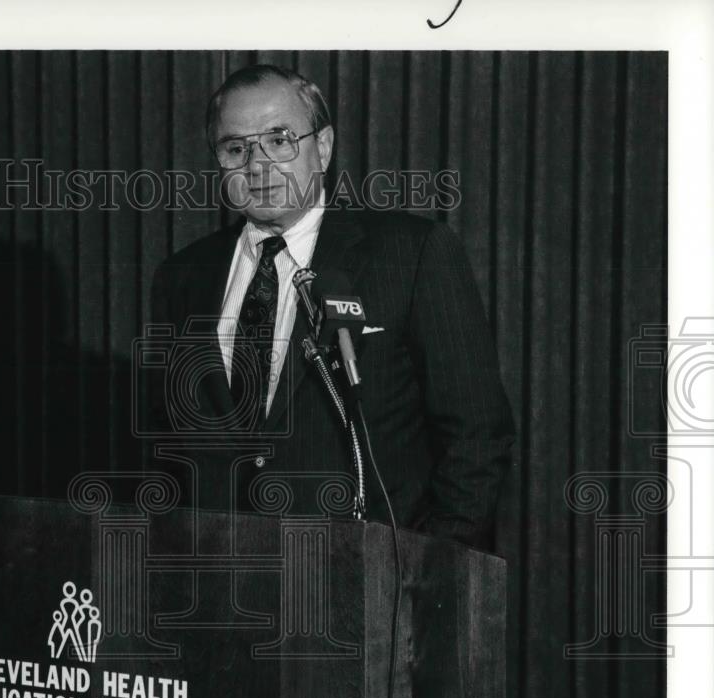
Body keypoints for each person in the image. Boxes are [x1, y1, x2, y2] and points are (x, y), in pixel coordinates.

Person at [147, 64, 514, 550]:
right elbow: (170, 450)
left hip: (369, 592)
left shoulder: (412, 253)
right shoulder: (182, 277)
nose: (258, 167)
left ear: (322, 147)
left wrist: (422, 581)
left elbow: (477, 438)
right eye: (237, 148)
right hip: (224, 592)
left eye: (279, 140)